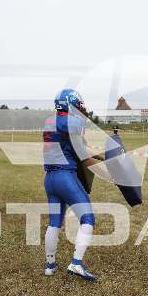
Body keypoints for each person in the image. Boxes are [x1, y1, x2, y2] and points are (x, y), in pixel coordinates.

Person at [42, 89, 104, 281]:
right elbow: (82, 152)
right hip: (65, 176)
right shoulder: (72, 122)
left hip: (49, 178)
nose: (81, 109)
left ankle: (50, 265)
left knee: (54, 222)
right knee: (88, 218)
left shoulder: (50, 121)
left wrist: (101, 155)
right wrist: (105, 158)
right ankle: (76, 263)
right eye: (78, 105)